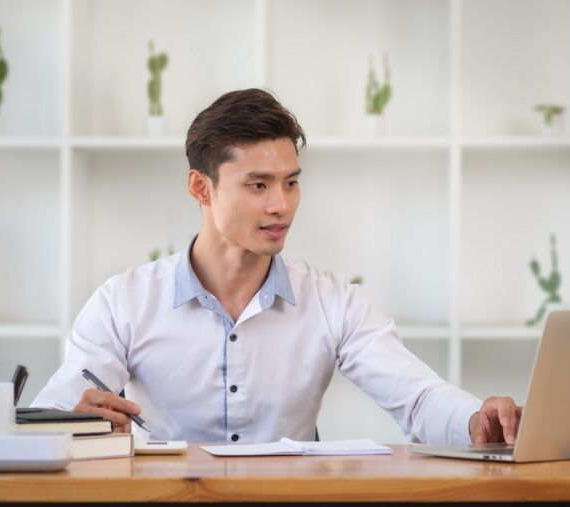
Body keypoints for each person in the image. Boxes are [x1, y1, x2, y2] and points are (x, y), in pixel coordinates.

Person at [33, 88, 521, 445]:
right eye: (258, 185)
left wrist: (475, 419)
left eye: (291, 183)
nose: (281, 206)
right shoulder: (125, 301)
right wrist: (70, 420)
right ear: (201, 188)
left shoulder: (334, 302)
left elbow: (417, 399)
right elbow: (48, 416)